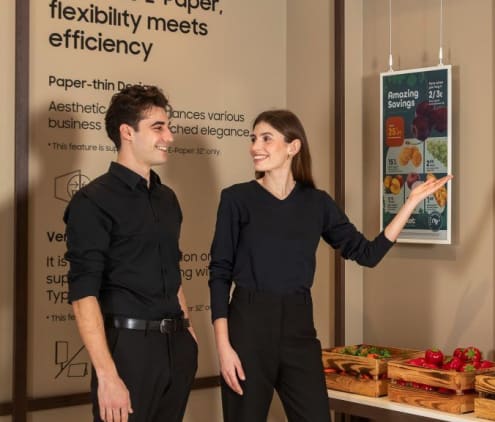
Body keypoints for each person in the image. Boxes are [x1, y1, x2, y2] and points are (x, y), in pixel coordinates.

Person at [208, 109, 452, 421]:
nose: (256, 146)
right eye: (253, 138)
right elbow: (219, 273)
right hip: (248, 328)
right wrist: (224, 348)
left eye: (266, 138)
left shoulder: (317, 203)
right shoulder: (237, 199)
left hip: (298, 328)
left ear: (293, 147)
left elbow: (367, 254)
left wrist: (410, 203)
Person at [64, 85, 198, 422]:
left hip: (177, 348)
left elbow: (172, 271)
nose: (169, 137)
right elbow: (83, 296)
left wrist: (189, 334)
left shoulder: (167, 199)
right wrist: (107, 376)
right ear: (127, 132)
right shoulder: (92, 201)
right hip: (128, 351)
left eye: (168, 127)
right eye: (158, 127)